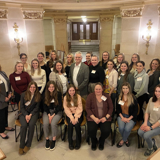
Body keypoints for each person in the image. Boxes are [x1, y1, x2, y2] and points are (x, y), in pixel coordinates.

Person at [86, 83, 113, 151]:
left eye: (99, 89)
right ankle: (94, 141)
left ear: (102, 89)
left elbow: (111, 108)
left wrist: (106, 118)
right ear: (94, 90)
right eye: (96, 89)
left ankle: (101, 140)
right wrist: (94, 118)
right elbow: (87, 108)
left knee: (106, 131)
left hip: (104, 118)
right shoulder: (90, 96)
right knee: (91, 130)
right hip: (93, 118)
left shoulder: (106, 96)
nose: (98, 90)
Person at [19, 81, 41, 155]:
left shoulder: (38, 95)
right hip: (23, 113)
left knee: (31, 125)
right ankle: (21, 145)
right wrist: (26, 115)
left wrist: (30, 115)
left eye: (34, 87)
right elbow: (21, 107)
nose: (32, 88)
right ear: (28, 87)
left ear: (36, 88)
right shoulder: (23, 94)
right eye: (31, 87)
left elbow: (37, 108)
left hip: (33, 113)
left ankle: (28, 144)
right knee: (24, 125)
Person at [138, 84, 160, 156]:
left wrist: (150, 128)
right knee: (140, 132)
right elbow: (147, 112)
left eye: (159, 91)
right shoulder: (151, 100)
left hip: (158, 126)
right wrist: (145, 123)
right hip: (149, 121)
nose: (157, 93)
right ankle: (153, 143)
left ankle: (150, 149)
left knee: (146, 135)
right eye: (156, 91)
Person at [116, 82, 138, 148]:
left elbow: (135, 111)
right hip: (121, 116)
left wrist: (128, 119)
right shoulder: (119, 97)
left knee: (127, 129)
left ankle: (123, 140)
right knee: (121, 128)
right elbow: (117, 109)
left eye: (126, 88)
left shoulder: (133, 98)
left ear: (129, 89)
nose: (125, 90)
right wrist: (122, 118)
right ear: (121, 89)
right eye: (123, 88)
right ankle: (126, 139)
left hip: (131, 117)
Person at [43, 81, 62, 151]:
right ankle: (47, 139)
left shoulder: (58, 94)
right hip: (47, 111)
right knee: (45, 124)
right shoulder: (45, 95)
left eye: (53, 87)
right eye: (50, 87)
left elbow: (60, 106)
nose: (51, 88)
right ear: (47, 88)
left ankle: (53, 140)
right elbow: (44, 106)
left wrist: (53, 115)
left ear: (55, 87)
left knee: (53, 124)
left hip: (57, 112)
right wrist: (48, 114)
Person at [63, 84, 83, 150]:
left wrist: (76, 117)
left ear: (75, 90)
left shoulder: (78, 96)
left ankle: (78, 142)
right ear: (68, 91)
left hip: (78, 114)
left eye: (73, 90)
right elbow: (66, 108)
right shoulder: (65, 97)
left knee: (77, 125)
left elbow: (80, 108)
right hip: (69, 114)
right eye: (70, 90)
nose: (72, 92)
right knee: (70, 125)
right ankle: (70, 142)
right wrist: (71, 117)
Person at [0, 65, 14, 139]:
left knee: (5, 113)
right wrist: (3, 98)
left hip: (7, 96)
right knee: (1, 115)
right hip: (1, 99)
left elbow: (8, 83)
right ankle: (1, 131)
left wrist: (10, 93)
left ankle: (5, 126)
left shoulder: (2, 73)